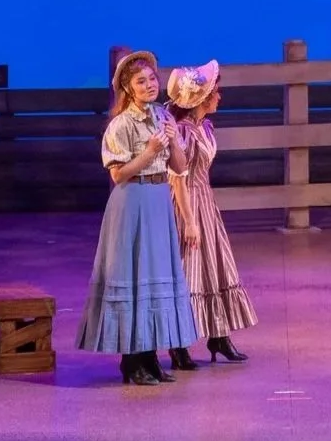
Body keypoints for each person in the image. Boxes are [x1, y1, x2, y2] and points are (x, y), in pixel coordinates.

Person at [79, 50, 201, 385]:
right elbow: (119, 175)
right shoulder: (120, 126)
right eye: (140, 81)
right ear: (128, 89)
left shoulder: (162, 115)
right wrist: (147, 151)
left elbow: (178, 167)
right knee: (133, 275)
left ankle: (151, 357)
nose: (149, 85)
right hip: (133, 200)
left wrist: (174, 141)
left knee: (156, 276)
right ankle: (132, 361)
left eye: (151, 79)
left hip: (159, 200)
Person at [163, 61, 256, 370]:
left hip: (205, 202)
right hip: (187, 203)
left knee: (214, 268)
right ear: (201, 97)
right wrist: (189, 220)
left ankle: (218, 334)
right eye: (216, 91)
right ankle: (179, 343)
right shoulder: (184, 131)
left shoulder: (204, 126)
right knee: (189, 270)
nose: (220, 96)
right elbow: (177, 177)